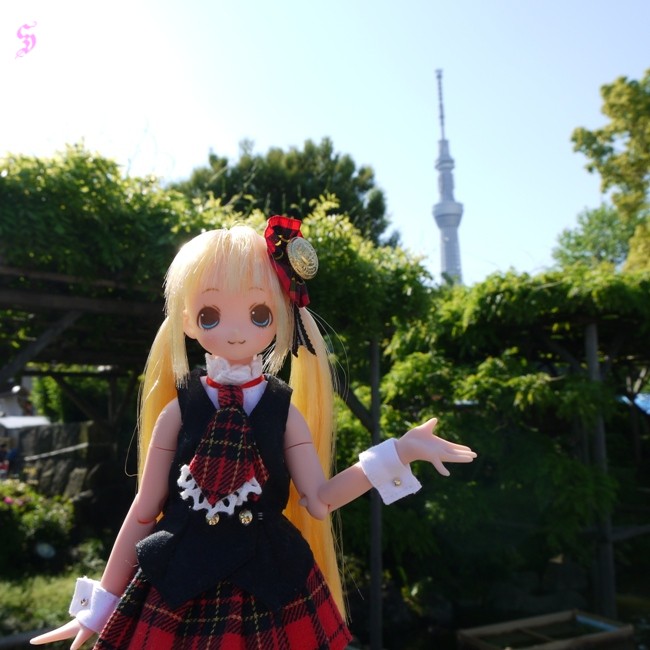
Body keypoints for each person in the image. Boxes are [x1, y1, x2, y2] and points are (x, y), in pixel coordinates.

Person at [31, 217, 476, 650]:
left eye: (259, 314)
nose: (235, 331)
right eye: (210, 315)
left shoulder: (281, 410)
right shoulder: (179, 409)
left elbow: (319, 499)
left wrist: (398, 452)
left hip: (270, 582)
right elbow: (145, 509)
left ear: (282, 317)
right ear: (187, 321)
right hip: (177, 578)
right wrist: (97, 606)